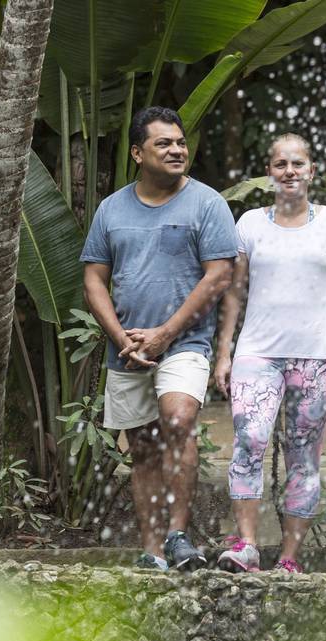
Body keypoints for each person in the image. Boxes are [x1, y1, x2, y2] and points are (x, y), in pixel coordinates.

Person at [213, 133, 326, 573]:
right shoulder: (249, 223)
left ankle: (289, 559)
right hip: (258, 354)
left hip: (319, 358)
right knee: (249, 441)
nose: (289, 171)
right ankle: (247, 546)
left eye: (297, 164)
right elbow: (234, 291)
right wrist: (224, 352)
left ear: (311, 171)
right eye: (280, 164)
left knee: (303, 455)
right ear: (269, 173)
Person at [80, 106, 238, 571]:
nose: (176, 150)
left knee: (179, 419)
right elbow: (93, 279)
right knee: (143, 448)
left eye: (180, 142)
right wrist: (121, 339)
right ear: (137, 153)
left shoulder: (207, 203)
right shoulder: (111, 209)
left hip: (184, 343)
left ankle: (178, 536)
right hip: (127, 348)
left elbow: (219, 276)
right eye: (163, 143)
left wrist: (165, 335)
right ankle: (152, 551)